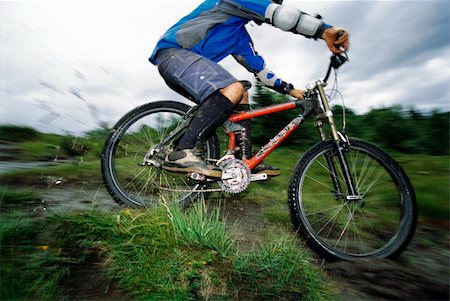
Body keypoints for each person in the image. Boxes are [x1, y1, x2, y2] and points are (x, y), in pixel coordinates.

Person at [149, 0, 350, 178]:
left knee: (242, 92)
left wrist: (291, 90)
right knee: (232, 88)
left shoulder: (239, 36)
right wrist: (323, 30)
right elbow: (282, 16)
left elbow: (262, 72)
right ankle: (184, 150)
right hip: (174, 54)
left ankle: (240, 157)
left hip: (185, 67)